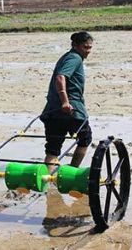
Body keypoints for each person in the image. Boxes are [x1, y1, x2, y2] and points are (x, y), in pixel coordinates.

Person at [41, 32, 93, 172]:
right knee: (85, 138)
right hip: (70, 110)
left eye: (89, 48)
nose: (87, 51)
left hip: (52, 111)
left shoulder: (66, 57)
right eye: (85, 47)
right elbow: (60, 78)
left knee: (52, 149)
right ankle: (72, 171)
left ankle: (50, 179)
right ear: (75, 45)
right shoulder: (75, 58)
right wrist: (65, 102)